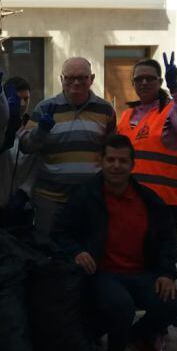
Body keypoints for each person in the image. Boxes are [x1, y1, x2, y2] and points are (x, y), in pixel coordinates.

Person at [51, 135, 177, 351]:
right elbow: (60, 233)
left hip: (142, 274)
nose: (116, 166)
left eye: (122, 161)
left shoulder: (148, 200)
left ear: (132, 165)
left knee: (174, 304)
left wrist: (166, 273)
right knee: (121, 305)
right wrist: (77, 252)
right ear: (100, 161)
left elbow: (167, 241)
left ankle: (140, 337)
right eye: (110, 160)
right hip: (103, 274)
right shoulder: (85, 196)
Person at [21, 57, 116, 244]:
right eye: (70, 77)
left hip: (90, 199)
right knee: (48, 251)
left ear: (92, 78)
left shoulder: (105, 110)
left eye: (82, 77)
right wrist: (40, 132)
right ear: (61, 79)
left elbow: (111, 151)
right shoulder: (45, 108)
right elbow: (26, 146)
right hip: (50, 200)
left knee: (89, 251)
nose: (76, 82)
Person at [115, 53, 177, 234]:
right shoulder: (128, 115)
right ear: (133, 84)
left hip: (165, 203)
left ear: (159, 82)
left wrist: (175, 88)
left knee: (161, 260)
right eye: (139, 79)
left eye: (149, 78)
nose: (144, 83)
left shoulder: (172, 108)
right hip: (132, 201)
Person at [0, 76, 38, 229]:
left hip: (22, 208)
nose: (22, 104)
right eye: (17, 99)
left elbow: (38, 165)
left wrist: (24, 194)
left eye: (26, 98)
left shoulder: (34, 128)